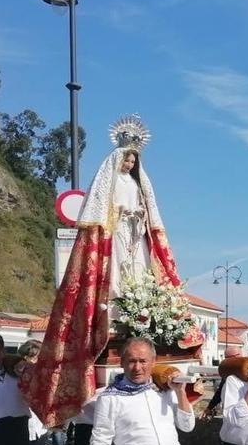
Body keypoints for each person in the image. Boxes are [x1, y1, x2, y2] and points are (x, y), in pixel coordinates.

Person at [23, 114, 200, 427]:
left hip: (135, 235)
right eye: (127, 158)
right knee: (118, 274)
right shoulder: (111, 182)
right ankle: (118, 316)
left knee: (139, 268)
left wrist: (140, 217)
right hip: (115, 235)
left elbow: (150, 216)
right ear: (118, 158)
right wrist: (121, 216)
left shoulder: (138, 185)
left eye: (134, 159)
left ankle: (138, 310)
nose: (130, 163)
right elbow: (104, 213)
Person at [18, 340, 56, 445]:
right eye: (37, 356)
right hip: (23, 424)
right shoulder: (17, 373)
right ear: (28, 356)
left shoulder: (41, 373)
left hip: (38, 423)